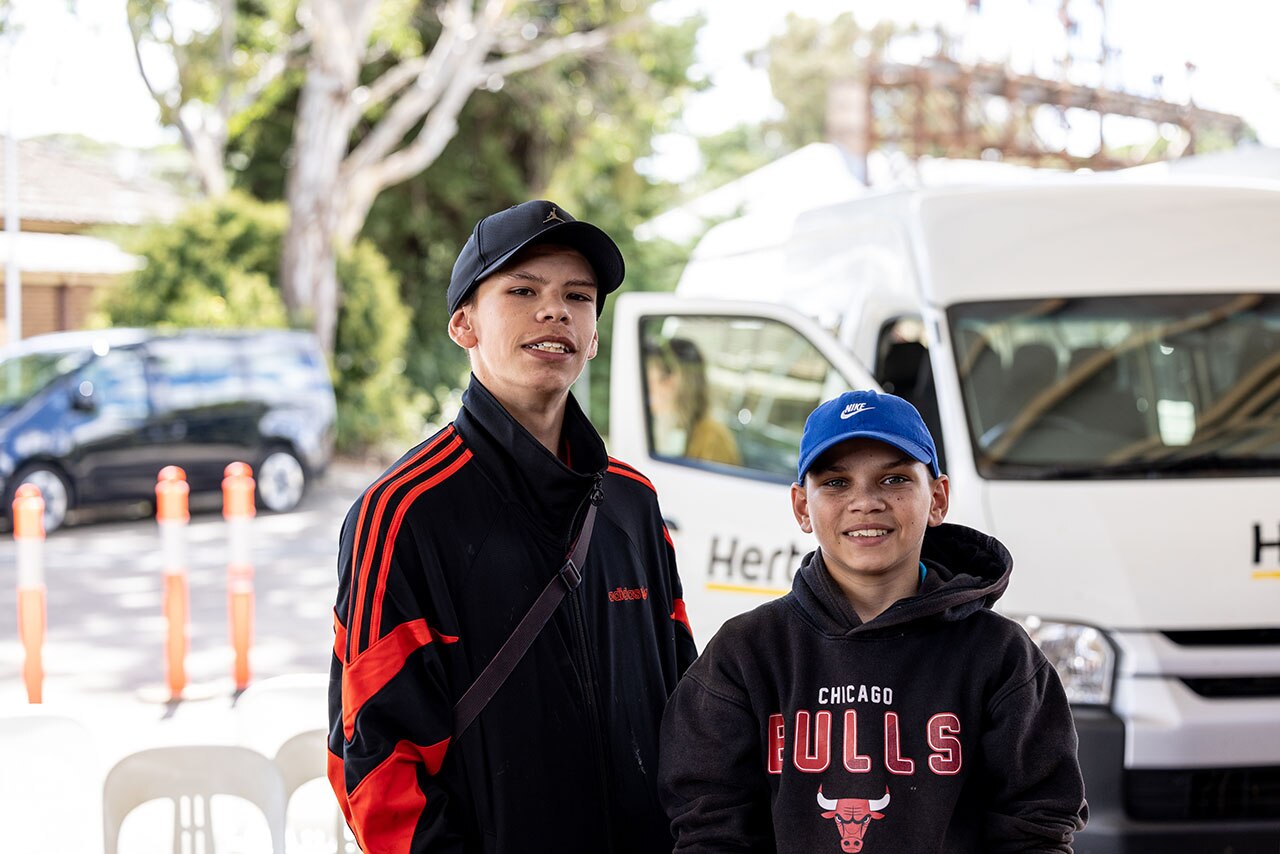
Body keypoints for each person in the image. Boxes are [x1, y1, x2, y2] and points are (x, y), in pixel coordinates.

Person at [328, 200, 698, 853]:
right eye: (523, 291)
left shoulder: (632, 503)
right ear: (464, 324)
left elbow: (685, 709)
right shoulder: (402, 514)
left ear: (593, 337)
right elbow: (376, 768)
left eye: (577, 297)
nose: (555, 311)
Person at [658, 389, 1087, 852]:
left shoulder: (1002, 657)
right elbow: (710, 829)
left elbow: (1037, 828)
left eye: (894, 479)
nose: (865, 502)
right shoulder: (744, 654)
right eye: (836, 483)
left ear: (937, 498)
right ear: (802, 506)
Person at [644, 336, 741, 466]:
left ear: (671, 381)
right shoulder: (657, 426)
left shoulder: (712, 438)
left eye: (650, 381)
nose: (646, 389)